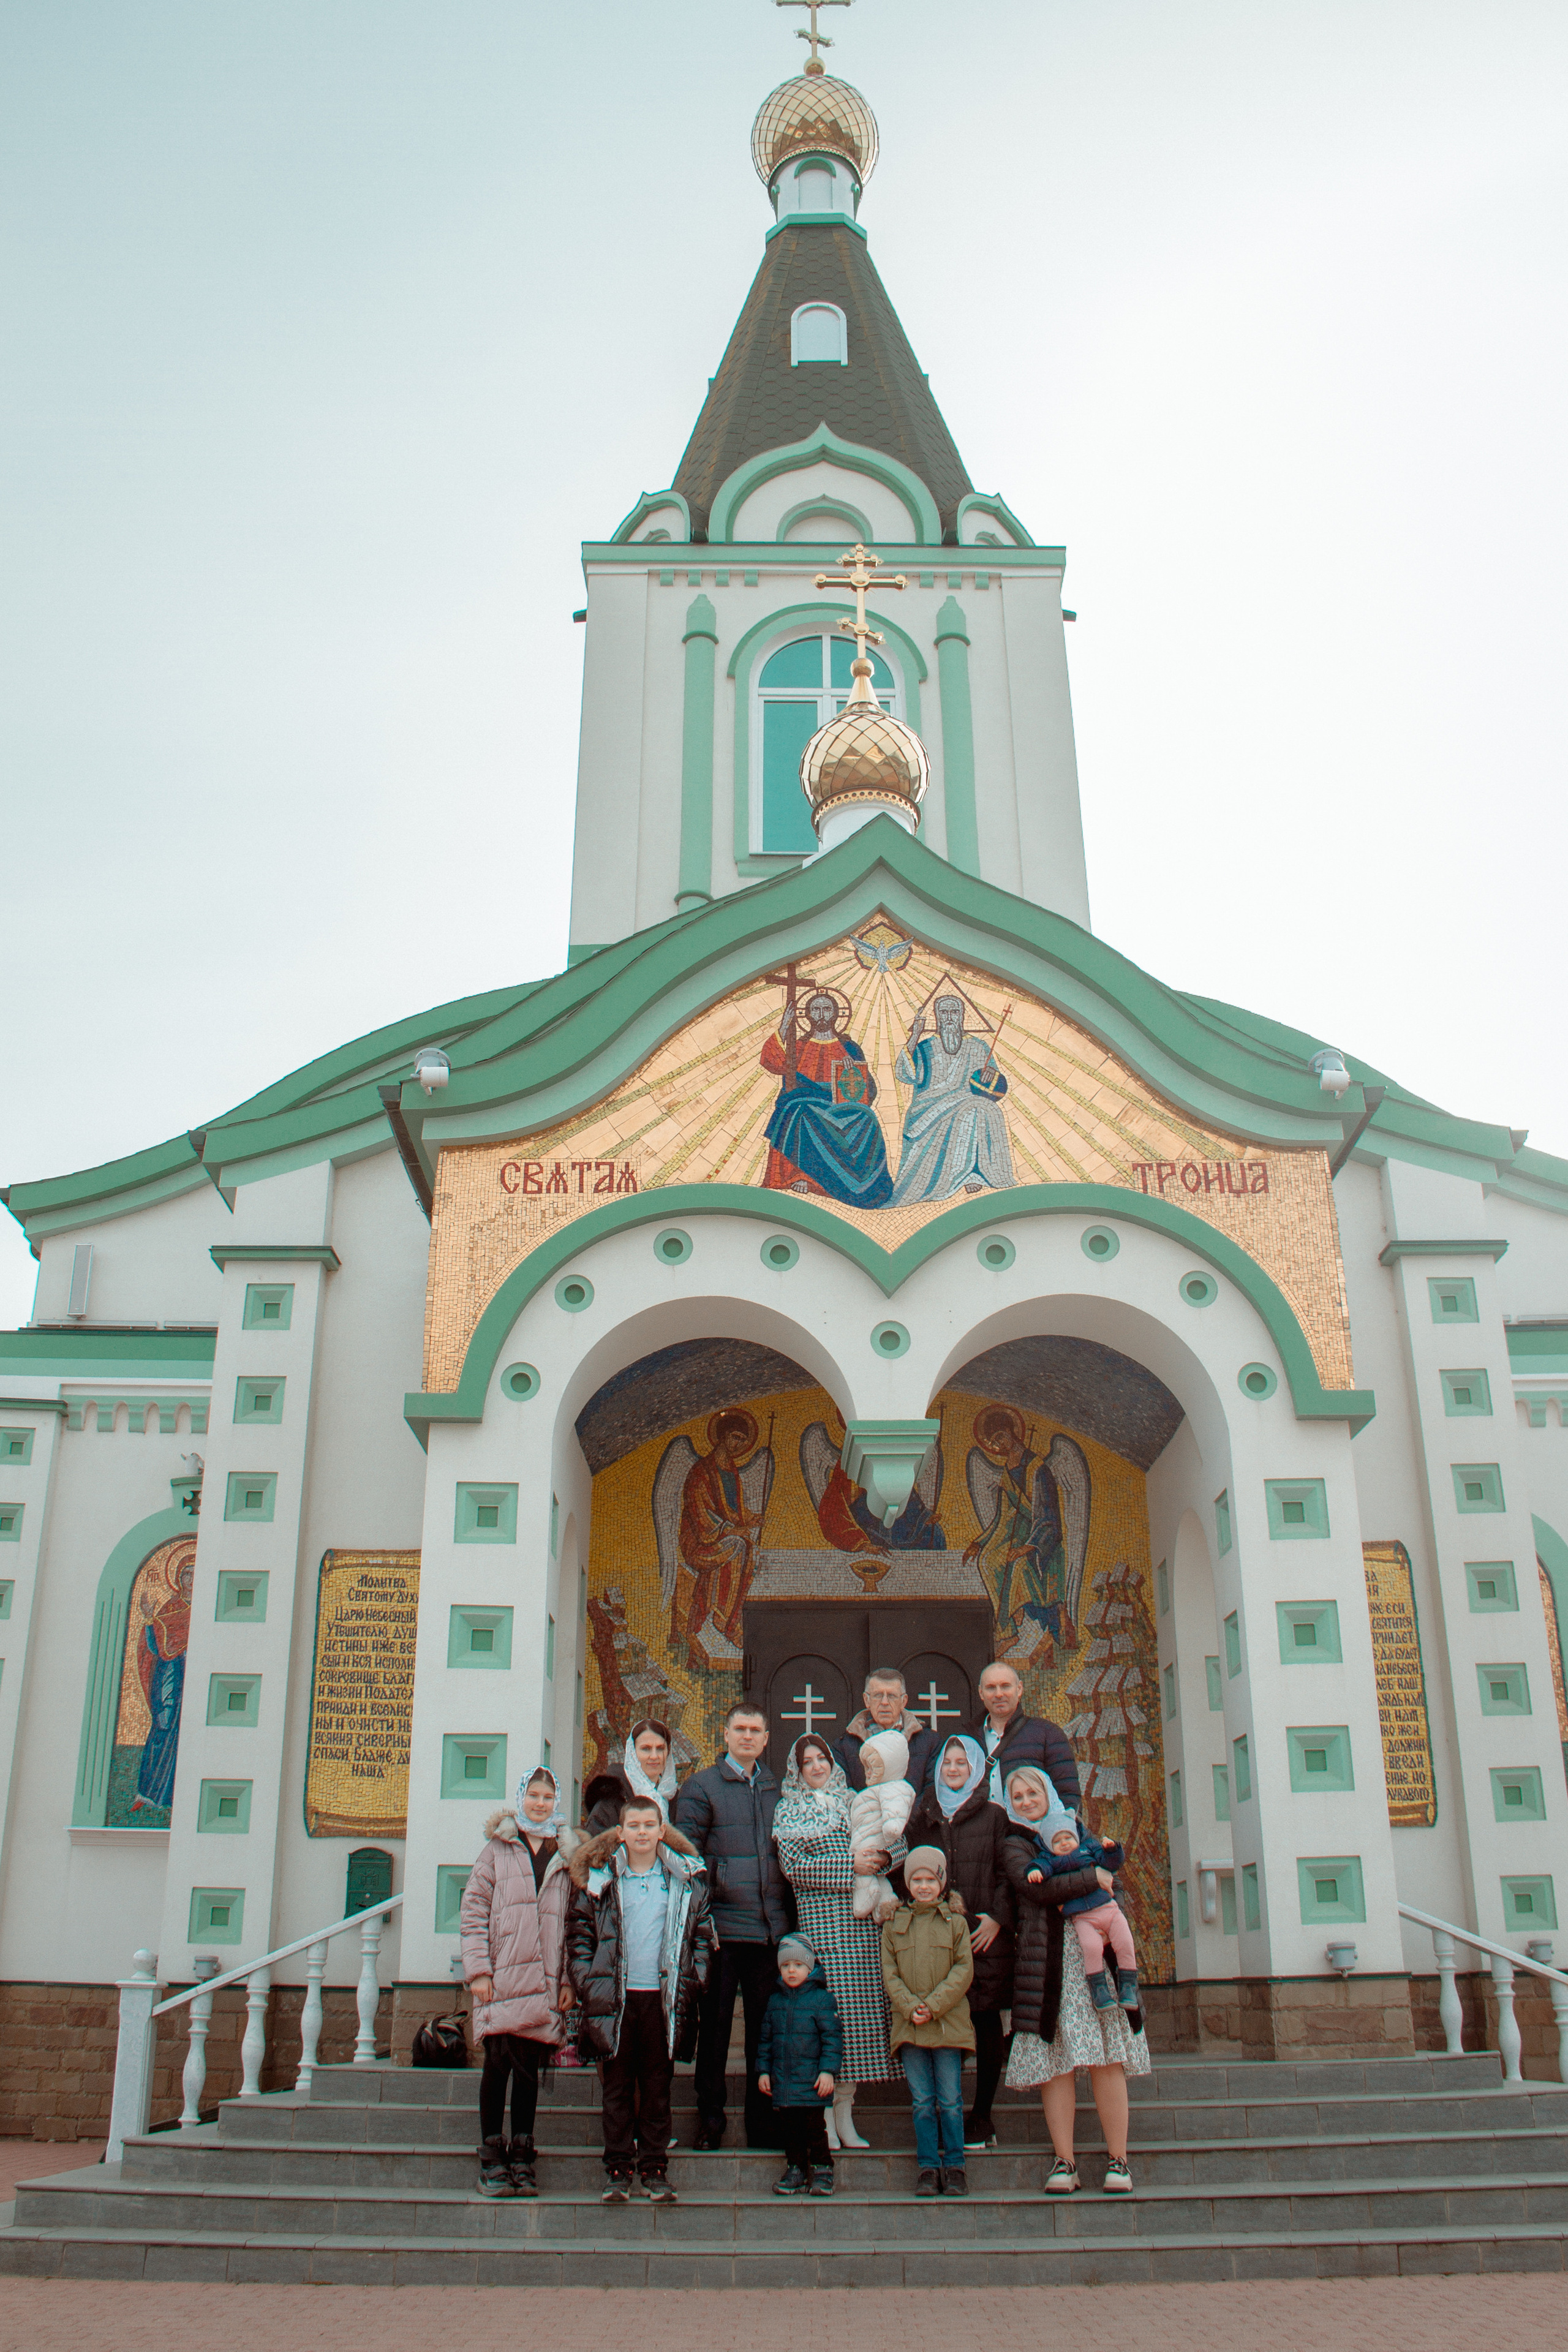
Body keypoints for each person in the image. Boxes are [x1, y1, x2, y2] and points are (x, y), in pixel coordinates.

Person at [1001, 1765, 1148, 2196]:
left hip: (1095, 1960)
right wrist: (1092, 1878)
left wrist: (1105, 1892)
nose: (1027, 1801)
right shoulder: (1015, 1844)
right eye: (1017, 1796)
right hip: (1048, 1965)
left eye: (1033, 1792)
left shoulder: (1078, 1831)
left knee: (1107, 2057)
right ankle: (1064, 2161)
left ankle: (1119, 2160)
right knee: (1056, 2062)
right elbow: (1036, 1890)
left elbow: (1114, 1884)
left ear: (1048, 1792)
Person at [565, 1794, 715, 2203]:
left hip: (662, 2001)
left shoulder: (684, 1880)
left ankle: (654, 2168)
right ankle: (618, 2169)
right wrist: (589, 1983)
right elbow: (579, 1935)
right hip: (616, 1999)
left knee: (656, 2087)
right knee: (616, 2087)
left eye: (650, 1825)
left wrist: (695, 1980)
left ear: (662, 1831)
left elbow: (702, 1935)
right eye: (634, 1826)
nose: (642, 1833)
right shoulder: (600, 1881)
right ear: (621, 1832)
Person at [772, 1733, 900, 2154]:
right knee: (826, 2023)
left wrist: (881, 1859)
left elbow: (896, 1842)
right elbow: (796, 1868)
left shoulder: (857, 1801)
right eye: (807, 1761)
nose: (816, 1766)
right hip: (822, 1929)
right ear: (797, 1770)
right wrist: (852, 1865)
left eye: (821, 1758)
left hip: (862, 1930)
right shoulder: (788, 1810)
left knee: (859, 2022)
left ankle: (845, 2113)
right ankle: (823, 2118)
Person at [673, 1701, 793, 2149]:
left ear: (766, 1739)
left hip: (767, 1931)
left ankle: (763, 2123)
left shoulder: (778, 1790)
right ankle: (710, 2119)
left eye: (755, 1731)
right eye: (740, 1729)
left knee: (765, 2030)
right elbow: (687, 1860)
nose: (747, 1737)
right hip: (722, 1931)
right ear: (726, 1735)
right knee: (716, 2029)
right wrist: (705, 1922)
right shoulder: (701, 1786)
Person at [461, 1766, 578, 2197]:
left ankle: (523, 2159)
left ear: (556, 1801)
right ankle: (493, 2160)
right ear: (521, 1797)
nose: (540, 1803)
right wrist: (478, 1971)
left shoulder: (566, 1855)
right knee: (497, 2067)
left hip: (545, 1981)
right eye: (534, 1795)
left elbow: (575, 1923)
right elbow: (474, 1910)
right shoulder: (498, 1849)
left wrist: (568, 1981)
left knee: (528, 2073)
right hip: (503, 1978)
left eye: (548, 1797)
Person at [901, 1733, 1016, 2151]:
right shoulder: (924, 1816)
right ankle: (939, 2115)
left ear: (975, 1769)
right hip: (937, 1939)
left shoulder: (994, 1816)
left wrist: (998, 1919)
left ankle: (982, 2116)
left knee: (985, 2021)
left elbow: (1008, 1873)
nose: (953, 1769)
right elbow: (908, 1871)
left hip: (984, 1937)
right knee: (942, 2017)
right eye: (947, 1763)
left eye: (961, 1763)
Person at [880, 1845, 974, 2198]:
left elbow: (963, 1970)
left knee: (950, 2100)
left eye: (930, 1880)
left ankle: (956, 2166)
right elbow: (890, 1973)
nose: (923, 1886)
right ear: (907, 1883)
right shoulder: (894, 1925)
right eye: (917, 1880)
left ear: (942, 1882)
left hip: (947, 2025)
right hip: (911, 2027)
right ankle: (928, 2168)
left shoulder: (956, 1923)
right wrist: (911, 2008)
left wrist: (933, 2006)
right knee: (922, 2101)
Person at [760, 988, 894, 1207]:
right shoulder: (798, 1046)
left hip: (839, 1104)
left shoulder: (849, 1047)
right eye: (816, 1009)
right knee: (798, 1110)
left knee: (868, 1118)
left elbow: (867, 1089)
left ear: (835, 1014)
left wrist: (852, 1072)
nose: (821, 1014)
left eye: (826, 1009)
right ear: (808, 1015)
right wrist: (784, 1027)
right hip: (805, 1100)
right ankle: (802, 1176)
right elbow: (773, 1062)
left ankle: (860, 1184)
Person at [887, 992, 1016, 1205]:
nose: (949, 1017)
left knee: (986, 1108)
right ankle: (950, 1178)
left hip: (968, 1101)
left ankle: (975, 1174)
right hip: (929, 1107)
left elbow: (995, 1089)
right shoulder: (925, 1046)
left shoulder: (979, 1047)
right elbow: (904, 1074)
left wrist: (992, 1075)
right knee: (971, 1109)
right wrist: (915, 1035)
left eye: (954, 1012)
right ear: (937, 1017)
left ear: (962, 1016)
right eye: (944, 1012)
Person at [1027, 1802, 1139, 2013]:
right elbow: (1042, 1866)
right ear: (1049, 1846)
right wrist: (1035, 1870)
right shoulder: (1051, 1860)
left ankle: (1128, 1985)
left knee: (1125, 1941)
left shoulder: (1089, 1848)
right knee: (1091, 1947)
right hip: (1082, 1918)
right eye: (1057, 1841)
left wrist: (1112, 1850)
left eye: (1068, 1838)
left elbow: (1111, 1863)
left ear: (1076, 1837)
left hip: (1108, 1909)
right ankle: (1099, 1990)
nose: (1064, 1844)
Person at [756, 1932, 843, 2198]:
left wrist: (828, 2071)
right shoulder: (775, 2001)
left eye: (798, 1965)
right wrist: (764, 2071)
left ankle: (823, 2169)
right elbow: (766, 2041)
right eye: (785, 1966)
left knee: (815, 2129)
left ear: (810, 1966)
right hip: (784, 2081)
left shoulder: (822, 2000)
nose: (791, 1971)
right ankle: (796, 2169)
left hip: (812, 2082)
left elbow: (832, 2039)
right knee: (791, 2129)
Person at [966, 1659, 1081, 1810]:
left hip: (1034, 1826)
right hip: (984, 1826)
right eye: (991, 1688)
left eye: (1005, 1686)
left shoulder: (1048, 1734)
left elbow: (1068, 1795)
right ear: (981, 1693)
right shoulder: (968, 1740)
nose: (999, 1694)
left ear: (1019, 1689)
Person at [835, 1667, 941, 1795]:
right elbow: (843, 1794)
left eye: (892, 1696)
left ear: (904, 1701)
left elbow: (932, 1792)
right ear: (867, 1700)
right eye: (878, 1695)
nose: (884, 1702)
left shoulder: (929, 1742)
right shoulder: (845, 1746)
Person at [581, 1718, 680, 1838]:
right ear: (633, 1752)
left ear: (668, 1752)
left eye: (660, 1748)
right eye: (646, 1749)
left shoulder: (675, 1798)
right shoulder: (614, 1798)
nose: (654, 1756)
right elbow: (596, 1844)